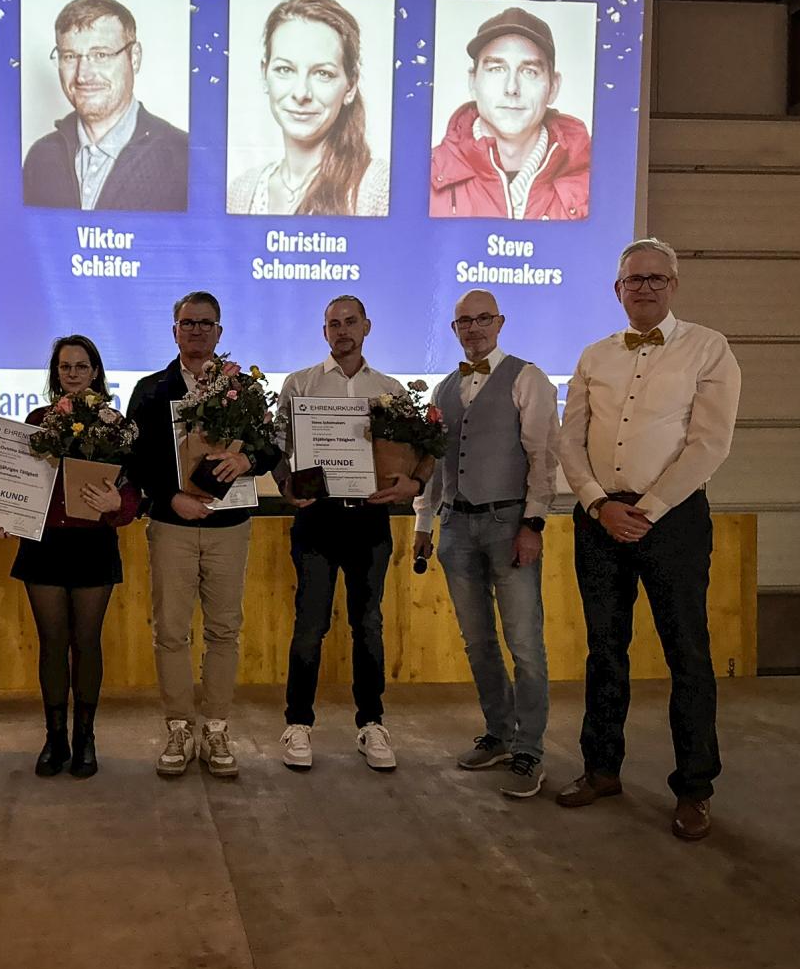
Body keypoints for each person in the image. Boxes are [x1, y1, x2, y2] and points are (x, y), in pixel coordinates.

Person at [556, 238, 741, 840]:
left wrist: (649, 510)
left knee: (687, 653)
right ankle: (601, 768)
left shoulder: (708, 348)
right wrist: (597, 503)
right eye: (634, 279)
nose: (645, 288)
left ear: (674, 285)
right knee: (604, 650)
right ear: (618, 290)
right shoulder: (594, 356)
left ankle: (694, 788)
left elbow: (709, 443)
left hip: (674, 520)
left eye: (656, 278)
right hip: (599, 518)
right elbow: (569, 441)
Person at [411, 289, 559, 798]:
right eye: (464, 322)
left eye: (482, 319)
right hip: (455, 526)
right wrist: (423, 524)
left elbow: (543, 458)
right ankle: (499, 733)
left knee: (525, 644)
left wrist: (533, 524)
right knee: (478, 641)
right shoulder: (444, 388)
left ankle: (530, 749)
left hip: (508, 522)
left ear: (499, 322)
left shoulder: (527, 377)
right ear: (454, 329)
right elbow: (435, 465)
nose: (473, 328)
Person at [128, 291, 277, 778]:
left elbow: (272, 447)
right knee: (171, 631)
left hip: (228, 527)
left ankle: (215, 727)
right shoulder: (151, 390)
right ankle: (178, 727)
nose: (196, 330)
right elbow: (136, 460)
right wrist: (171, 497)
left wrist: (247, 459)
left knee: (223, 631)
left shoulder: (245, 390)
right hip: (171, 525)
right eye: (188, 323)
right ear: (174, 330)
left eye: (205, 323)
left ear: (220, 331)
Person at [273, 296, 418, 773]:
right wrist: (284, 484)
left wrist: (412, 482)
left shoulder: (390, 390)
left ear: (366, 326)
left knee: (368, 625)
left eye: (350, 322)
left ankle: (371, 723)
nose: (342, 331)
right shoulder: (300, 384)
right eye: (333, 324)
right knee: (310, 627)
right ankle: (298, 723)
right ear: (324, 332)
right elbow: (277, 447)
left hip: (369, 520)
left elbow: (417, 451)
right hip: (316, 518)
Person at [0, 336, 140, 779]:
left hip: (94, 545)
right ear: (56, 373)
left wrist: (118, 504)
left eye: (81, 366)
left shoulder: (116, 425)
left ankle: (85, 738)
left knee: (86, 643)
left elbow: (132, 492)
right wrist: (3, 515)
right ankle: (55, 738)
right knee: (52, 644)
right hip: (45, 545)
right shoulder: (37, 422)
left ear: (96, 372)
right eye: (65, 366)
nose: (73, 374)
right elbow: (16, 483)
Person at [22, 0, 188, 211]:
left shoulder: (185, 157)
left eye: (100, 55)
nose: (83, 75)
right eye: (70, 56)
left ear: (134, 58)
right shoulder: (41, 157)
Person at [228, 0, 389, 217]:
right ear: (264, 74)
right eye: (285, 69)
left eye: (323, 73)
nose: (301, 93)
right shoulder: (241, 191)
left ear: (350, 86)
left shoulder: (379, 186)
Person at [429, 5, 589, 220]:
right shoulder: (421, 177)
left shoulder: (600, 180)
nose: (511, 88)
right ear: (472, 82)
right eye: (496, 69)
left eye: (529, 71)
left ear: (553, 87)